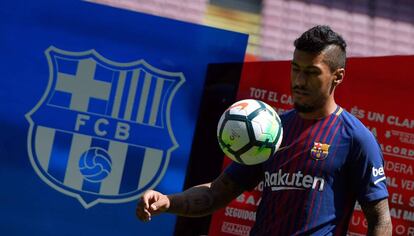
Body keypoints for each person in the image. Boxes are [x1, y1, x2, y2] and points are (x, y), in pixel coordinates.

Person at [136, 25, 392, 235]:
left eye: (312, 73)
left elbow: (380, 220)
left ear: (338, 76)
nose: (299, 81)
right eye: (295, 69)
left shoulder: (356, 138)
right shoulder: (271, 130)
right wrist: (169, 202)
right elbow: (216, 192)